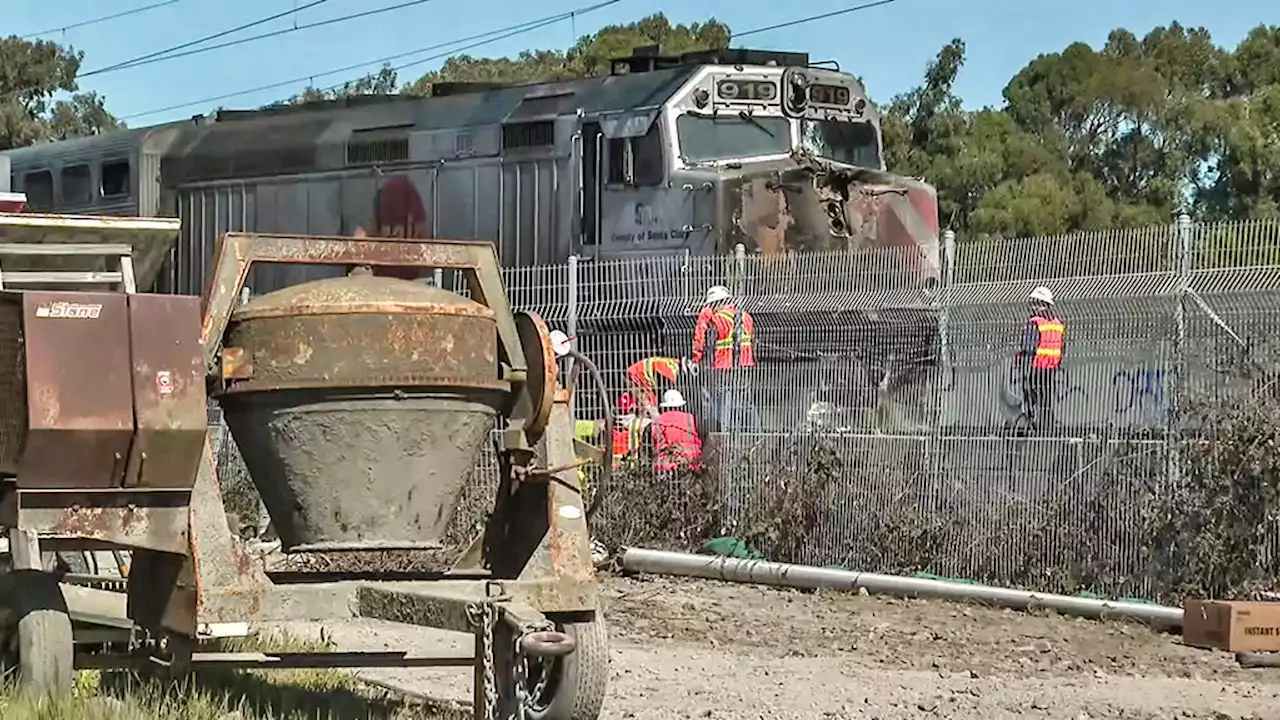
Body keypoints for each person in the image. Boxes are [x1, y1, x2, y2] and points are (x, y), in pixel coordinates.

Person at [692, 285, 760, 433]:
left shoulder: (715, 320)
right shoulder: (746, 317)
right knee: (745, 400)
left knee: (723, 400)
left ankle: (724, 434)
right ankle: (756, 433)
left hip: (722, 366)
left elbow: (704, 343)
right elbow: (752, 341)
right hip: (745, 365)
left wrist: (697, 360)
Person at [1015, 286, 1065, 433]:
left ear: (1041, 304)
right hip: (1051, 367)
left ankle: (1031, 424)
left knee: (1031, 396)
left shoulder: (1036, 322)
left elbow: (1028, 346)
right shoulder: (1057, 323)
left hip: (1035, 365)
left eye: (1034, 303)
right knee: (1046, 398)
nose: (1031, 307)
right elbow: (1062, 347)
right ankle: (1047, 427)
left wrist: (1023, 365)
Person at [651, 389, 703, 472]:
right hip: (690, 457)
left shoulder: (659, 420)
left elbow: (659, 441)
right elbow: (692, 439)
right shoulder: (689, 418)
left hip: (668, 460)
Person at [625, 356, 698, 412]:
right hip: (636, 376)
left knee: (651, 404)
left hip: (638, 373)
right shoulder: (672, 373)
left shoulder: (673, 363)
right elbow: (664, 390)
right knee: (650, 406)